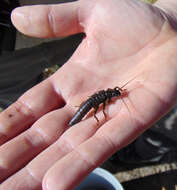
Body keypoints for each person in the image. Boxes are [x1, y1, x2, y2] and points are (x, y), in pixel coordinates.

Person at [0, 0, 177, 189]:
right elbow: (101, 104)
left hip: (83, 102)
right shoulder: (107, 96)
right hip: (81, 104)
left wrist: (172, 13)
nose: (118, 93)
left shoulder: (106, 95)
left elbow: (101, 102)